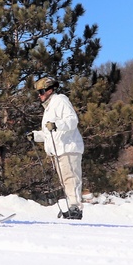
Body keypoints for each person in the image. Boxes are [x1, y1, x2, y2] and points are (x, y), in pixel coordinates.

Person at [35, 77, 85, 220]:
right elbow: (48, 134)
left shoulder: (60, 100)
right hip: (59, 149)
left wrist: (56, 124)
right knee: (65, 181)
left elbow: (72, 120)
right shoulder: (49, 108)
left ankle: (75, 208)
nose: (39, 95)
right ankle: (72, 207)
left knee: (71, 179)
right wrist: (35, 136)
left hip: (68, 147)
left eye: (41, 91)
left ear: (50, 90)